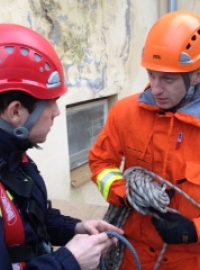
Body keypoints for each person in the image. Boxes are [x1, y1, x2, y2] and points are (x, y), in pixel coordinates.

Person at [0, 23, 123, 270]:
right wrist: (69, 262)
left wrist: (77, 228)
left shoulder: (15, 159)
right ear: (15, 112)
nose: (57, 112)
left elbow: (36, 219)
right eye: (51, 103)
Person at [89, 10, 200, 270]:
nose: (155, 87)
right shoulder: (126, 113)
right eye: (152, 74)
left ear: (195, 75)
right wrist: (125, 194)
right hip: (131, 255)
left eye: (168, 79)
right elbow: (100, 162)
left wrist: (194, 231)